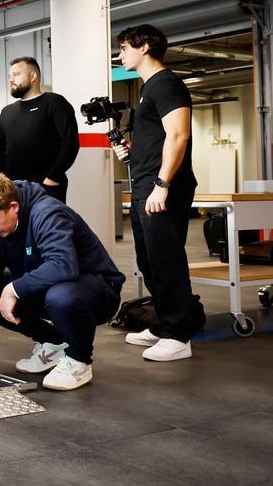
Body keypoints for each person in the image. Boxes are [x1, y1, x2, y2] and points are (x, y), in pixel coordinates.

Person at [0, 174, 125, 390]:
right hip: (51, 286)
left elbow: (63, 265)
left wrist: (13, 289)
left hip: (97, 290)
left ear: (13, 207)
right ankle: (54, 343)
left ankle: (79, 360)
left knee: (60, 297)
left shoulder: (47, 212)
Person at [113, 24, 204, 362]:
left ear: (145, 46)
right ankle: (163, 323)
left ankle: (180, 335)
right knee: (148, 261)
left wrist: (162, 184)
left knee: (166, 260)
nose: (120, 54)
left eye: (124, 47)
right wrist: (132, 149)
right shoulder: (149, 88)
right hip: (146, 185)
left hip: (162, 187)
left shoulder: (166, 84)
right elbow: (158, 139)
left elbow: (178, 135)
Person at [0, 56, 79, 203]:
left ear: (33, 76)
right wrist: (3, 181)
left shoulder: (54, 102)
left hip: (47, 186)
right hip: (13, 188)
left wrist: (53, 177)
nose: (11, 79)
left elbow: (70, 142)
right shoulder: (7, 112)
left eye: (16, 74)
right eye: (9, 76)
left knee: (48, 225)